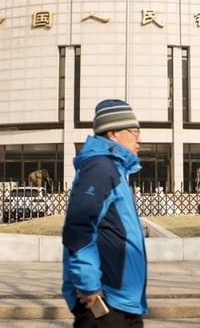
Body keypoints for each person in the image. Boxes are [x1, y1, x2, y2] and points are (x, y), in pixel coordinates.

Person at [62, 98, 147, 327]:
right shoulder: (101, 167)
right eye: (134, 131)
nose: (140, 138)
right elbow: (80, 225)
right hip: (105, 302)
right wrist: (88, 284)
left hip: (123, 301)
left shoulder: (114, 168)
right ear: (112, 134)